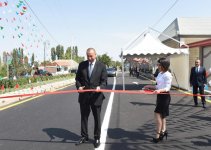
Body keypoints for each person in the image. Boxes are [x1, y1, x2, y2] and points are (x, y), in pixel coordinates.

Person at [75, 48, 107, 148]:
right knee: (84, 117)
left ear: (95, 55)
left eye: (91, 56)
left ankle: (97, 137)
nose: (89, 58)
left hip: (96, 97)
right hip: (84, 96)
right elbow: (78, 79)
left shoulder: (101, 66)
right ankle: (84, 136)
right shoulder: (82, 65)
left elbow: (104, 81)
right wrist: (79, 87)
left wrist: (100, 87)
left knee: (97, 118)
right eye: (88, 56)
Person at [143, 57, 172, 143]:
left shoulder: (168, 74)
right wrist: (149, 86)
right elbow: (158, 86)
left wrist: (159, 90)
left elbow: (167, 88)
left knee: (157, 114)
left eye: (159, 64)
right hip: (160, 96)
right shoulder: (160, 73)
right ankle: (164, 131)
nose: (157, 66)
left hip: (165, 96)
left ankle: (158, 135)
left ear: (163, 65)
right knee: (163, 115)